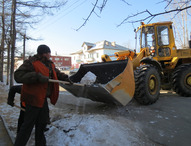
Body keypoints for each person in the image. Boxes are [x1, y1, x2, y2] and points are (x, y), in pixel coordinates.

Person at [14, 44, 71, 146]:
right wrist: (36, 77)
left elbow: (57, 74)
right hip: (33, 99)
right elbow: (18, 76)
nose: (50, 55)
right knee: (28, 126)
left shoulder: (49, 64)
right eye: (49, 53)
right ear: (44, 53)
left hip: (42, 99)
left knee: (41, 124)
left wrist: (66, 78)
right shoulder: (31, 62)